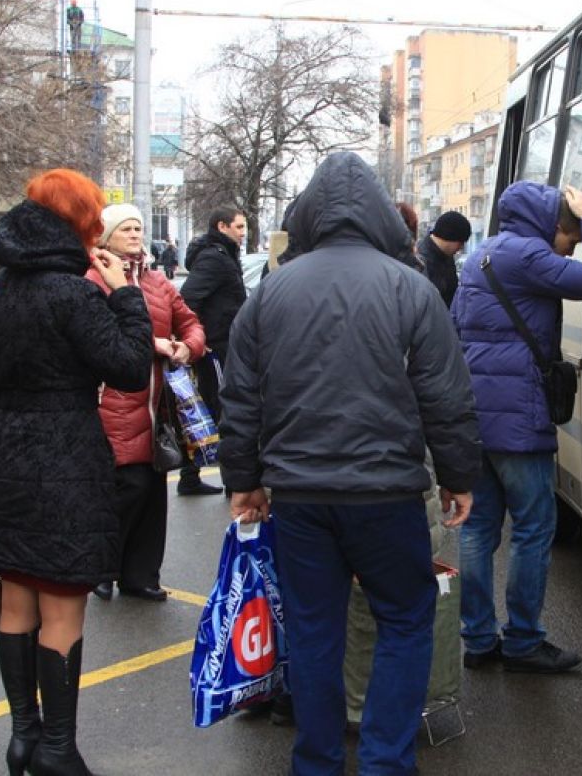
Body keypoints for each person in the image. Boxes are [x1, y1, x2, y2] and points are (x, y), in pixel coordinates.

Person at [220, 152, 480, 776]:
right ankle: (386, 762)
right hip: (386, 493)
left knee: (313, 631)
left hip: (300, 497)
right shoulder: (411, 287)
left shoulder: (271, 291)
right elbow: (446, 395)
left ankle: (316, 761)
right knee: (406, 619)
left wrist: (244, 481)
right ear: (379, 216)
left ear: (310, 215)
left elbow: (241, 395)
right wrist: (459, 478)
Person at [0, 169, 152, 776]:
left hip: (6, 460)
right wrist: (123, 291)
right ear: (77, 224)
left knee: (16, 602)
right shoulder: (73, 292)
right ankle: (57, 749)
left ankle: (23, 737)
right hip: (68, 457)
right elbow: (128, 367)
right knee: (62, 608)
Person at [452, 182, 582, 674]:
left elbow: (455, 329)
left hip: (474, 419)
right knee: (532, 528)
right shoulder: (528, 256)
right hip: (520, 423)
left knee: (479, 529)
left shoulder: (480, 256)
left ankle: (479, 640)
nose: (569, 247)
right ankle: (523, 640)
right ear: (553, 225)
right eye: (569, 237)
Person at [88, 204, 205, 603]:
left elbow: (191, 323)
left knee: (154, 491)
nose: (136, 234)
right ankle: (103, 569)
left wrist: (188, 348)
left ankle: (139, 576)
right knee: (125, 487)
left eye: (139, 227)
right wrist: (156, 345)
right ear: (106, 236)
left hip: (160, 404)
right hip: (114, 399)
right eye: (126, 228)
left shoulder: (158, 282)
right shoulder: (94, 279)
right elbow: (97, 333)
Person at [178, 207, 247, 495]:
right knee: (221, 410)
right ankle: (228, 481)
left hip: (220, 342)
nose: (243, 233)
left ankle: (191, 476)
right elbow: (187, 298)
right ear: (222, 226)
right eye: (240, 227)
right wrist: (198, 335)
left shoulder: (222, 255)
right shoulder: (214, 258)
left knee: (210, 408)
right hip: (216, 346)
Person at [419, 210, 471, 308]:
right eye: (461, 243)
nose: (461, 248)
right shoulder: (420, 261)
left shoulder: (447, 257)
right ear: (450, 238)